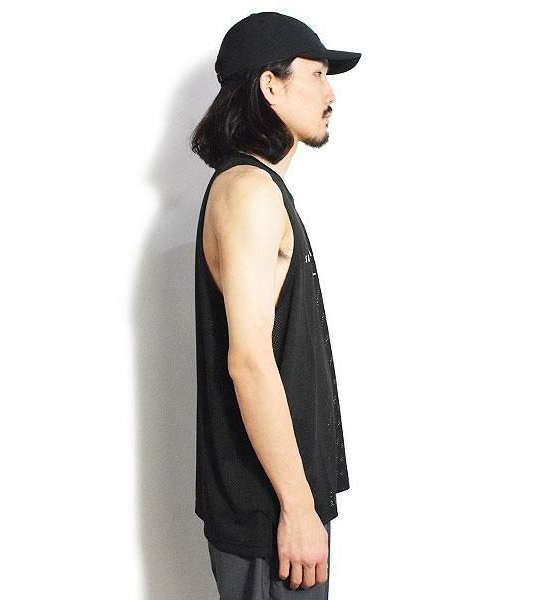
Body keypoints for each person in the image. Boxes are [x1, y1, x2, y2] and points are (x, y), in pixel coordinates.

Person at [190, 12, 361, 599]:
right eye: (316, 74)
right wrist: (297, 507)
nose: (330, 93)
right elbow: (249, 361)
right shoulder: (248, 191)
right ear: (270, 85)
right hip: (270, 516)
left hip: (278, 509)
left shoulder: (257, 188)